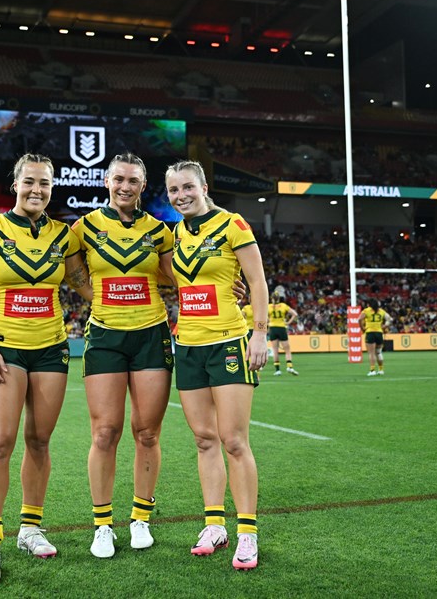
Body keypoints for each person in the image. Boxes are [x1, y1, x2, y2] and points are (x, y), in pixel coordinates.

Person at [0, 153, 90, 585]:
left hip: (52, 349)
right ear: (15, 185)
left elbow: (86, 285)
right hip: (5, 349)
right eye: (29, 181)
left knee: (39, 440)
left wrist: (176, 285)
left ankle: (30, 529)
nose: (37, 190)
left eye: (45, 183)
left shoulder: (64, 236)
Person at [69, 152, 175, 559]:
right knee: (104, 432)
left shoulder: (160, 231)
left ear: (143, 186)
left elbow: (177, 275)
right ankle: (102, 525)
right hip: (105, 337)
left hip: (151, 335)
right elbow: (73, 272)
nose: (125, 186)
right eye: (118, 179)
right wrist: (96, 299)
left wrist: (225, 284)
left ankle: (141, 518)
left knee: (147, 432)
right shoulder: (83, 228)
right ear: (106, 182)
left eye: (132, 180)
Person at [165, 160, 268, 571]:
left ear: (204, 187)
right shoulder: (175, 233)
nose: (181, 196)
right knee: (204, 439)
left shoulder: (233, 224)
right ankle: (214, 526)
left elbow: (257, 281)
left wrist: (259, 333)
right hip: (188, 346)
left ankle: (247, 533)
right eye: (174, 190)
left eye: (188, 187)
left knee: (234, 440)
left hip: (228, 341)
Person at [269, 291, 299, 376]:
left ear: (271, 298)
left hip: (272, 328)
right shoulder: (283, 306)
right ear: (279, 298)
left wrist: (268, 322)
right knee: (287, 349)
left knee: (275, 350)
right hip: (281, 328)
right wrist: (288, 322)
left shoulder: (269, 307)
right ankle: (289, 367)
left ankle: (277, 370)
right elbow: (295, 314)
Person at [359, 298, 392, 376]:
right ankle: (381, 370)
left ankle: (372, 370)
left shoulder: (366, 311)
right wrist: (385, 326)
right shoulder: (381, 311)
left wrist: (362, 328)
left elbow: (359, 319)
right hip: (379, 333)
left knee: (371, 353)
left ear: (369, 304)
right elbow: (390, 319)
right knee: (378, 352)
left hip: (370, 333)